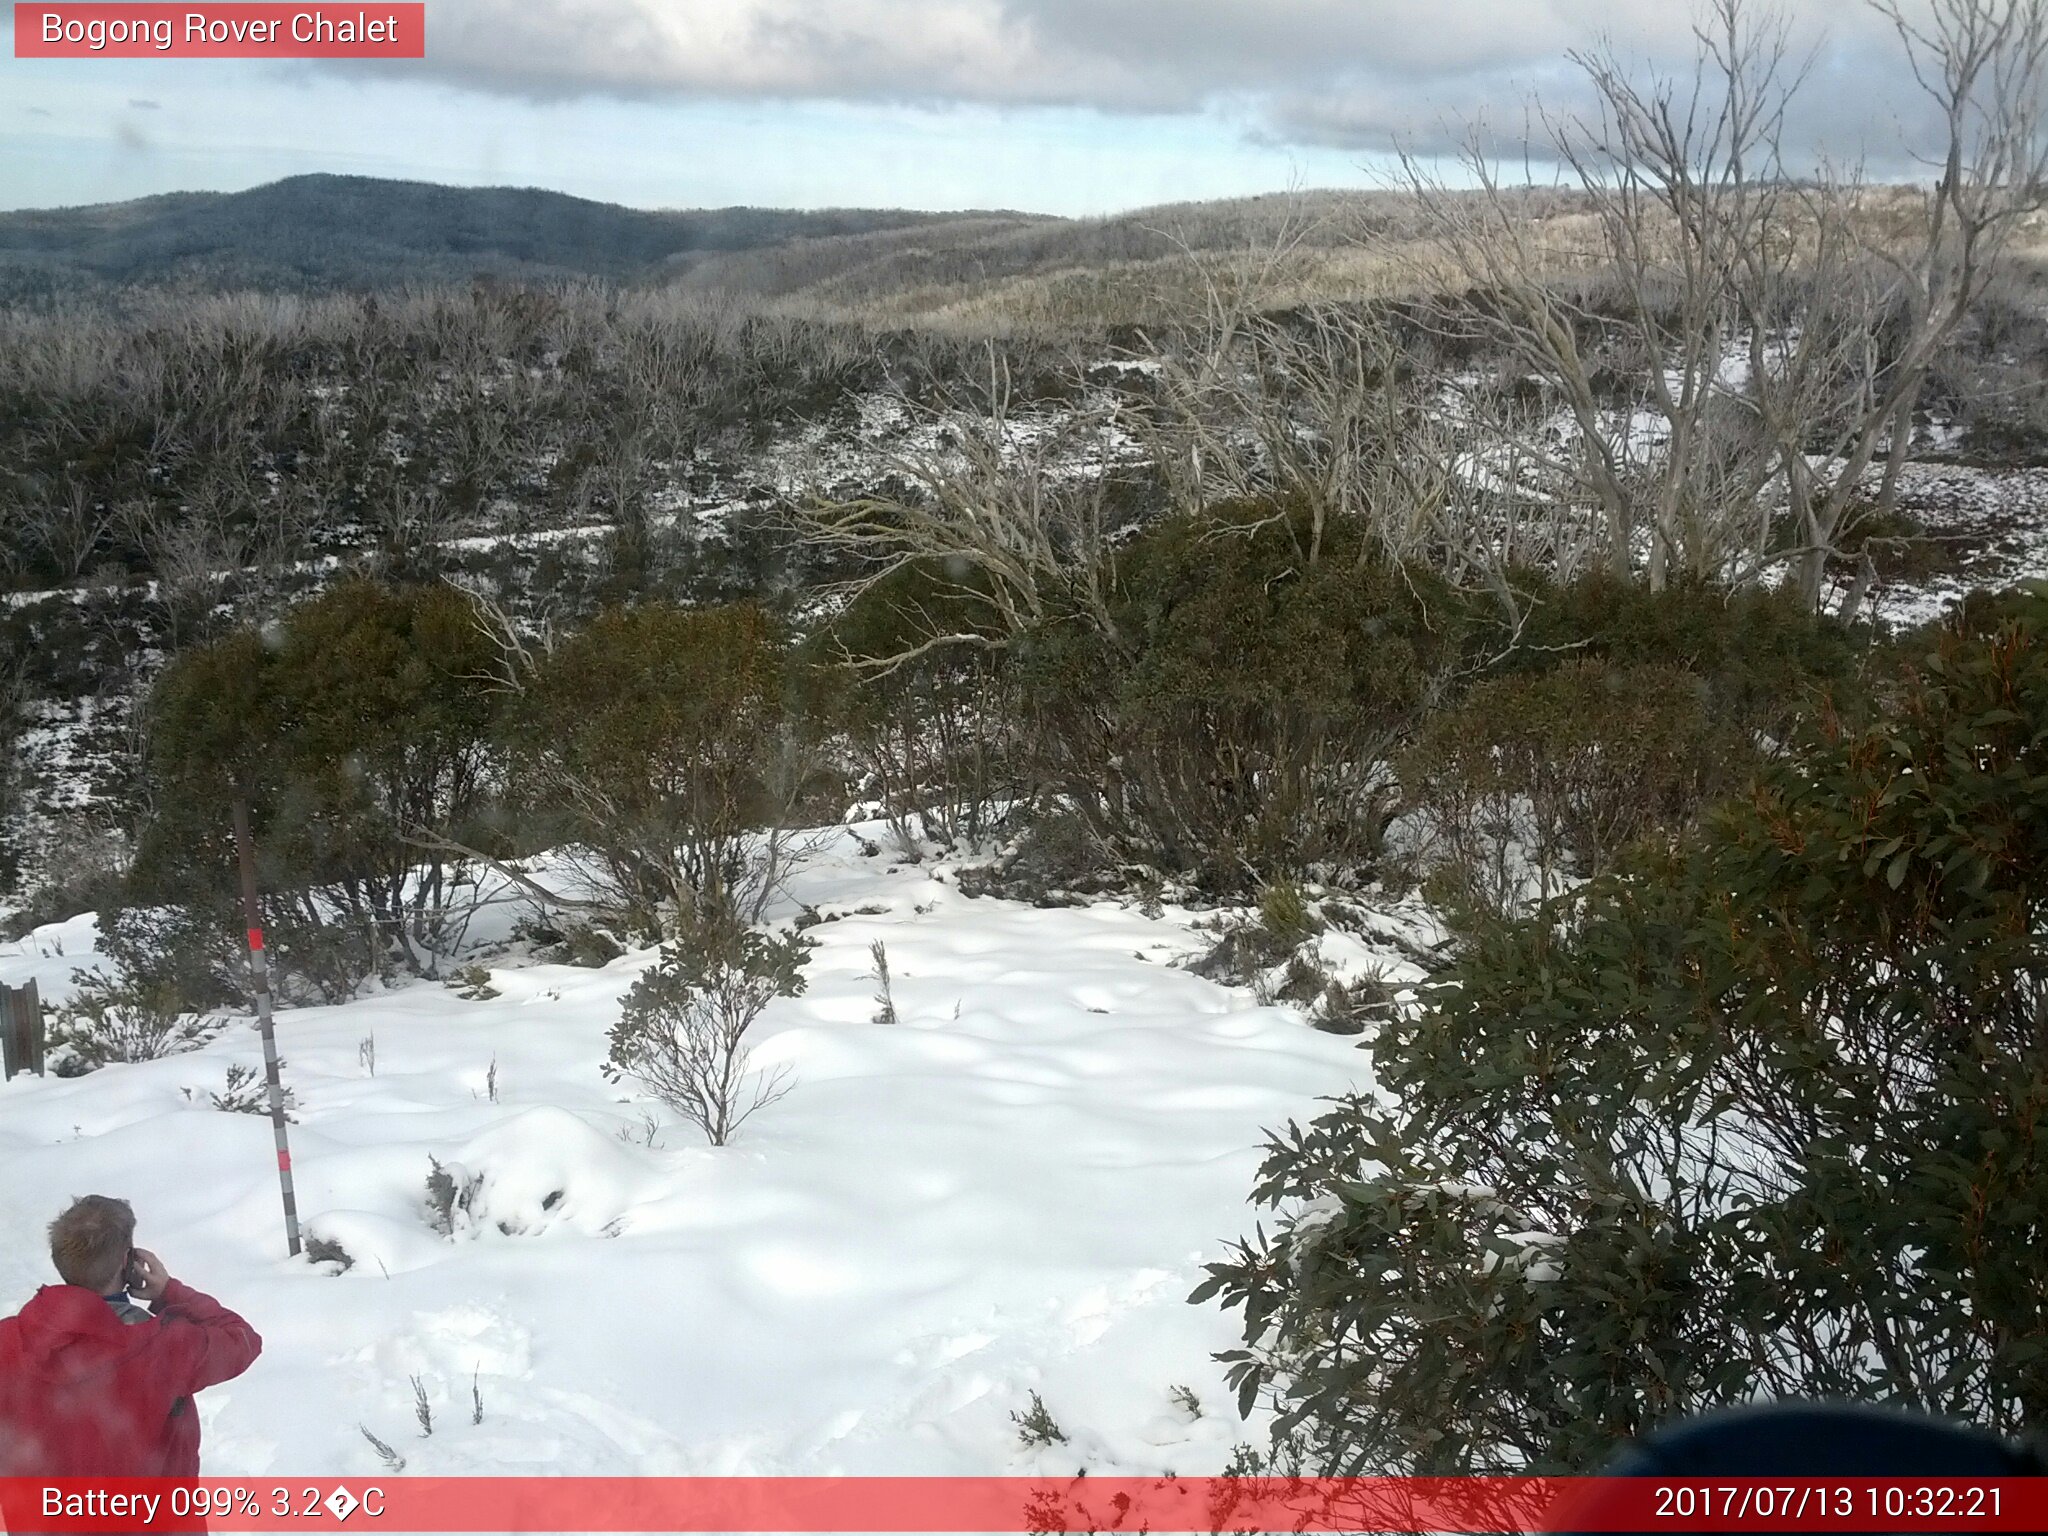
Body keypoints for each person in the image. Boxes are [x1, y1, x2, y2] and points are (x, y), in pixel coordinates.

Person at [0, 1195, 262, 1477]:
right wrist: (170, 1292)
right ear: (128, 1261)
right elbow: (242, 1339)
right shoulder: (161, 1347)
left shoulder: (7, 1342)